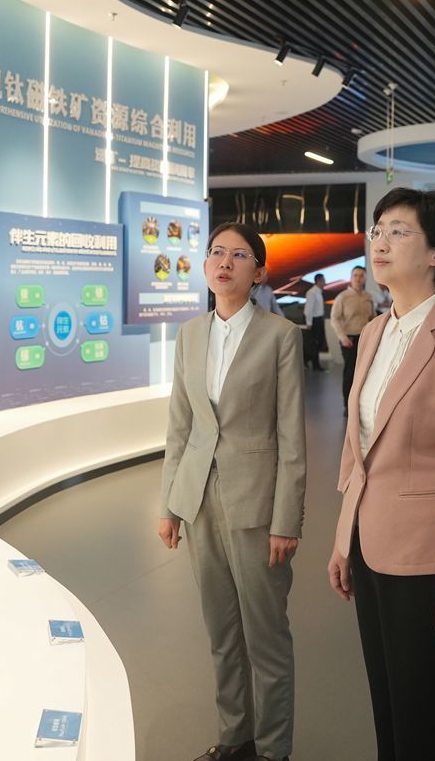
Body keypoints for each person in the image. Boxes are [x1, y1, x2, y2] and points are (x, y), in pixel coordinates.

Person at [327, 188, 435, 761]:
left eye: (399, 231)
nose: (380, 242)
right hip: (370, 544)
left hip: (428, 560)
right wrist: (344, 538)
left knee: (424, 716)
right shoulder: (377, 332)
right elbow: (358, 447)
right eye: (378, 230)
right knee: (386, 703)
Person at [158, 222, 306, 761]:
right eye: (216, 252)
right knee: (221, 632)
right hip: (198, 500)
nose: (225, 262)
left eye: (239, 255)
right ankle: (235, 737)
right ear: (204, 266)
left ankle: (273, 748)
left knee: (265, 636)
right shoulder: (190, 334)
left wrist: (287, 520)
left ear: (258, 272)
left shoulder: (280, 336)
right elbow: (180, 426)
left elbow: (291, 437)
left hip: (257, 503)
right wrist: (170, 505)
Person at [330, 265, 375, 414]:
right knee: (350, 373)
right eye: (355, 275)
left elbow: (372, 318)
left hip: (365, 339)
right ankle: (348, 405)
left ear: (365, 278)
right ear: (350, 278)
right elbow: (335, 319)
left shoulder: (368, 297)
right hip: (349, 340)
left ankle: (361, 403)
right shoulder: (343, 297)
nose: (358, 278)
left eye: (361, 275)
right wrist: (342, 337)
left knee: (365, 372)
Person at [302, 273, 328, 371]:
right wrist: (309, 323)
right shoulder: (312, 292)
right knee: (314, 343)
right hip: (314, 321)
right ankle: (315, 365)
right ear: (319, 281)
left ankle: (305, 359)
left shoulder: (319, 292)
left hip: (319, 320)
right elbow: (308, 309)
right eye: (323, 280)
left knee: (319, 343)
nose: (325, 282)